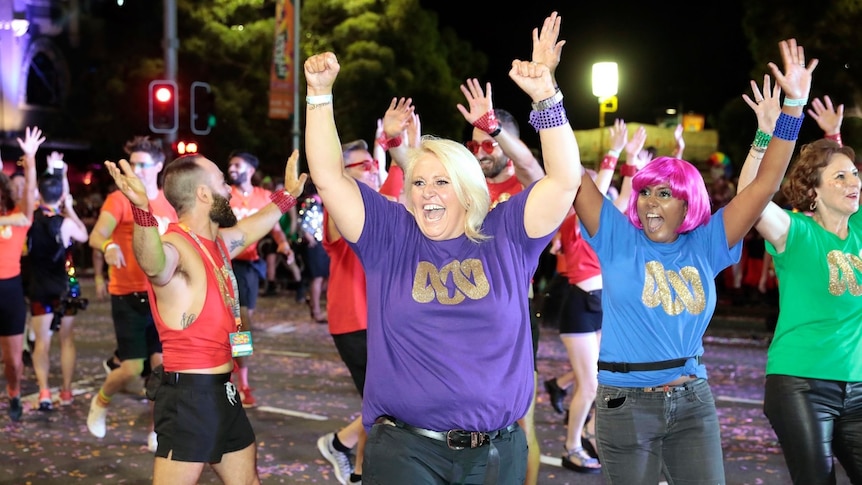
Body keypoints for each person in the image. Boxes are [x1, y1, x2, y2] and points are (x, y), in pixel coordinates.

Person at [303, 10, 580, 483]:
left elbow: (563, 179)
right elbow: (329, 177)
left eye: (442, 181)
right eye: (418, 182)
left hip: (496, 453)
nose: (427, 192)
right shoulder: (390, 234)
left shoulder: (507, 233)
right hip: (406, 452)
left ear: (470, 189)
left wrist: (546, 96)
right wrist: (319, 95)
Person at [572, 39, 815, 484]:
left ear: (687, 205)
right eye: (644, 191)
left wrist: (793, 108)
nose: (648, 202)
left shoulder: (707, 243)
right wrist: (548, 96)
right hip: (625, 404)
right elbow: (570, 171)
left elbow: (762, 188)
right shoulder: (617, 238)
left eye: (663, 193)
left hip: (691, 401)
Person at [102, 148, 306, 485]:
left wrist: (286, 197)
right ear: (202, 193)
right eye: (222, 183)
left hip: (224, 391)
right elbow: (152, 263)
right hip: (190, 397)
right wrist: (142, 211)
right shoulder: (174, 247)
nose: (229, 190)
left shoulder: (220, 243)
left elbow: (255, 225)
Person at [453, 15, 564, 484]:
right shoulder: (468, 189)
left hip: (513, 319)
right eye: (475, 142)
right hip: (461, 315)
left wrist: (496, 128)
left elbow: (536, 171)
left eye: (487, 143)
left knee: (522, 425)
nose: (479, 151)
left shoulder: (522, 192)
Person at [736, 73, 862, 484]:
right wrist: (765, 134)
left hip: (858, 387)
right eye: (840, 178)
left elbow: (841, 166)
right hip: (802, 385)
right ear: (813, 192)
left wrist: (834, 136)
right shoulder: (795, 232)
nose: (854, 183)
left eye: (855, 175)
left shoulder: (858, 228)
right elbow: (749, 199)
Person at [543, 120, 647, 474]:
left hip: (600, 305)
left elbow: (627, 195)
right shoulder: (573, 222)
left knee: (601, 379)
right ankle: (571, 447)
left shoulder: (601, 222)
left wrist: (630, 161)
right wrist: (614, 154)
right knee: (589, 385)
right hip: (579, 307)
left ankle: (587, 430)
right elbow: (599, 189)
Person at [317, 101, 411, 485]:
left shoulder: (377, 192)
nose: (375, 169)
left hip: (381, 319)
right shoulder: (339, 208)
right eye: (366, 167)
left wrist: (394, 139)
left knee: (386, 401)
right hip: (353, 321)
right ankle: (351, 459)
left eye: (373, 165)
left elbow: (405, 171)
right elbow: (383, 200)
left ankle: (347, 453)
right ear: (344, 174)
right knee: (385, 401)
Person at [87, 136, 178, 451]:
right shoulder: (118, 200)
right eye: (132, 164)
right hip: (127, 295)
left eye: (142, 164)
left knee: (162, 369)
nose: (136, 169)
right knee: (131, 368)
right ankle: (101, 402)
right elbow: (96, 234)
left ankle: (157, 430)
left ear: (158, 166)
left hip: (163, 297)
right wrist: (109, 246)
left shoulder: (170, 203)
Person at [227, 150, 294, 407]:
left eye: (237, 165)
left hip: (249, 268)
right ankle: (241, 383)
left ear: (251, 170)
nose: (232, 168)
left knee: (243, 325)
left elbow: (275, 227)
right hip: (225, 263)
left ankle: (239, 379)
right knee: (239, 324)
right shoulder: (224, 194)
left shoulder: (263, 197)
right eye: (230, 164)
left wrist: (284, 246)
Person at [27, 154, 89, 410]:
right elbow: (84, 236)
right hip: (66, 285)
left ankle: (43, 390)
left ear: (39, 194)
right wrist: (71, 207)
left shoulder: (29, 219)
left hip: (39, 286)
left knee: (42, 341)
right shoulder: (65, 223)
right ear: (61, 195)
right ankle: (65, 390)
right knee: (67, 339)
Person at [0, 126, 43, 422]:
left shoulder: (18, 217)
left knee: (13, 360)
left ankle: (14, 390)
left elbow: (28, 197)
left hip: (10, 290)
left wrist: (30, 158)